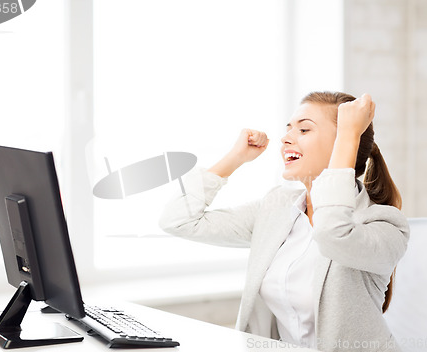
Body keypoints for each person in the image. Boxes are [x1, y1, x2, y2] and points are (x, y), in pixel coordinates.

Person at [159, 91, 409, 352]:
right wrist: (235, 158)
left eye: (304, 130)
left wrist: (349, 136)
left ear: (343, 145)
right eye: (289, 128)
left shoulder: (385, 224)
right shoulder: (276, 208)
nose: (286, 138)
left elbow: (332, 233)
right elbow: (178, 219)